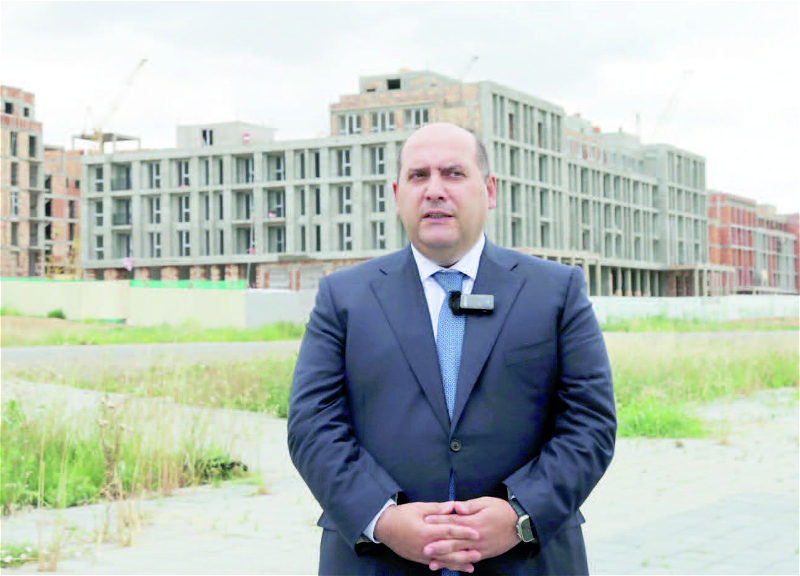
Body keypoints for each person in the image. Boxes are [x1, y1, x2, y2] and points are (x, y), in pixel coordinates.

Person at [288, 122, 616, 575]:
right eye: (418, 175)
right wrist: (382, 519)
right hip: (378, 561)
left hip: (526, 560)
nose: (435, 190)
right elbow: (313, 425)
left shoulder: (556, 291)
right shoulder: (343, 297)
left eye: (454, 173)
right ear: (397, 194)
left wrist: (521, 514)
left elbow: (590, 423)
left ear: (490, 190)